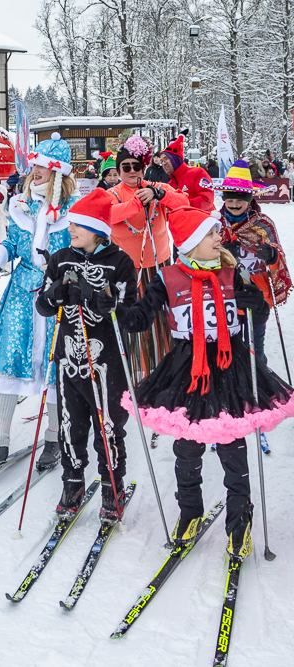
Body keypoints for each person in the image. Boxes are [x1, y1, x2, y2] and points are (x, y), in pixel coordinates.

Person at [117, 206, 294, 558]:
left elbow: (259, 313)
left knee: (232, 448)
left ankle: (240, 520)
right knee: (186, 448)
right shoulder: (167, 278)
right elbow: (139, 319)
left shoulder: (234, 273)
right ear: (193, 241)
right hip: (187, 366)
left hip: (231, 366)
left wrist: (255, 302)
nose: (219, 238)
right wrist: (117, 306)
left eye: (217, 233)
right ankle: (190, 511)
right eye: (211, 234)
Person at [0, 132, 79, 473]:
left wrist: (67, 271)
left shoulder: (73, 211)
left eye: (42, 167)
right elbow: (14, 246)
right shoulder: (20, 206)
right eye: (33, 166)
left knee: (54, 367)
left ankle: (54, 436)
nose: (35, 171)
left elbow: (82, 251)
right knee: (9, 361)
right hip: (21, 296)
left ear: (58, 172)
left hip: (59, 298)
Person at [36, 188, 138, 522]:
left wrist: (107, 304)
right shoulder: (61, 257)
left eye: (78, 225)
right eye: (71, 224)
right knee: (71, 424)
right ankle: (73, 482)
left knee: (108, 425)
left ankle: (112, 485)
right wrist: (57, 293)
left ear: (98, 230)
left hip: (108, 359)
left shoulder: (120, 261)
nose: (71, 229)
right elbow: (43, 305)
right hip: (68, 357)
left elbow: (131, 312)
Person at [108, 135, 189, 382]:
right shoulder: (113, 193)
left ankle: (165, 371)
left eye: (136, 166)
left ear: (143, 167)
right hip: (127, 271)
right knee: (132, 321)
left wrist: (158, 194)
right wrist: (135, 203)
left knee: (162, 321)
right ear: (119, 170)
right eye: (126, 167)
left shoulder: (156, 187)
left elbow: (184, 202)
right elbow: (108, 215)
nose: (132, 171)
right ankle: (132, 375)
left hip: (160, 266)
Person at [215, 160, 292, 364]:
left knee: (255, 350)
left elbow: (279, 258)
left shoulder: (263, 224)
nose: (233, 204)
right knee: (228, 350)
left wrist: (271, 255)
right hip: (224, 295)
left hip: (256, 296)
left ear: (249, 199)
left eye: (239, 199)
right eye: (229, 199)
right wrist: (221, 253)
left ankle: (260, 384)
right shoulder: (215, 224)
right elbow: (201, 258)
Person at [159, 135, 214, 211]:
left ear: (176, 159)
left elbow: (207, 201)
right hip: (181, 222)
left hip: (204, 221)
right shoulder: (170, 185)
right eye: (162, 161)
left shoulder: (198, 173)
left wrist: (183, 204)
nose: (164, 163)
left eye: (166, 159)